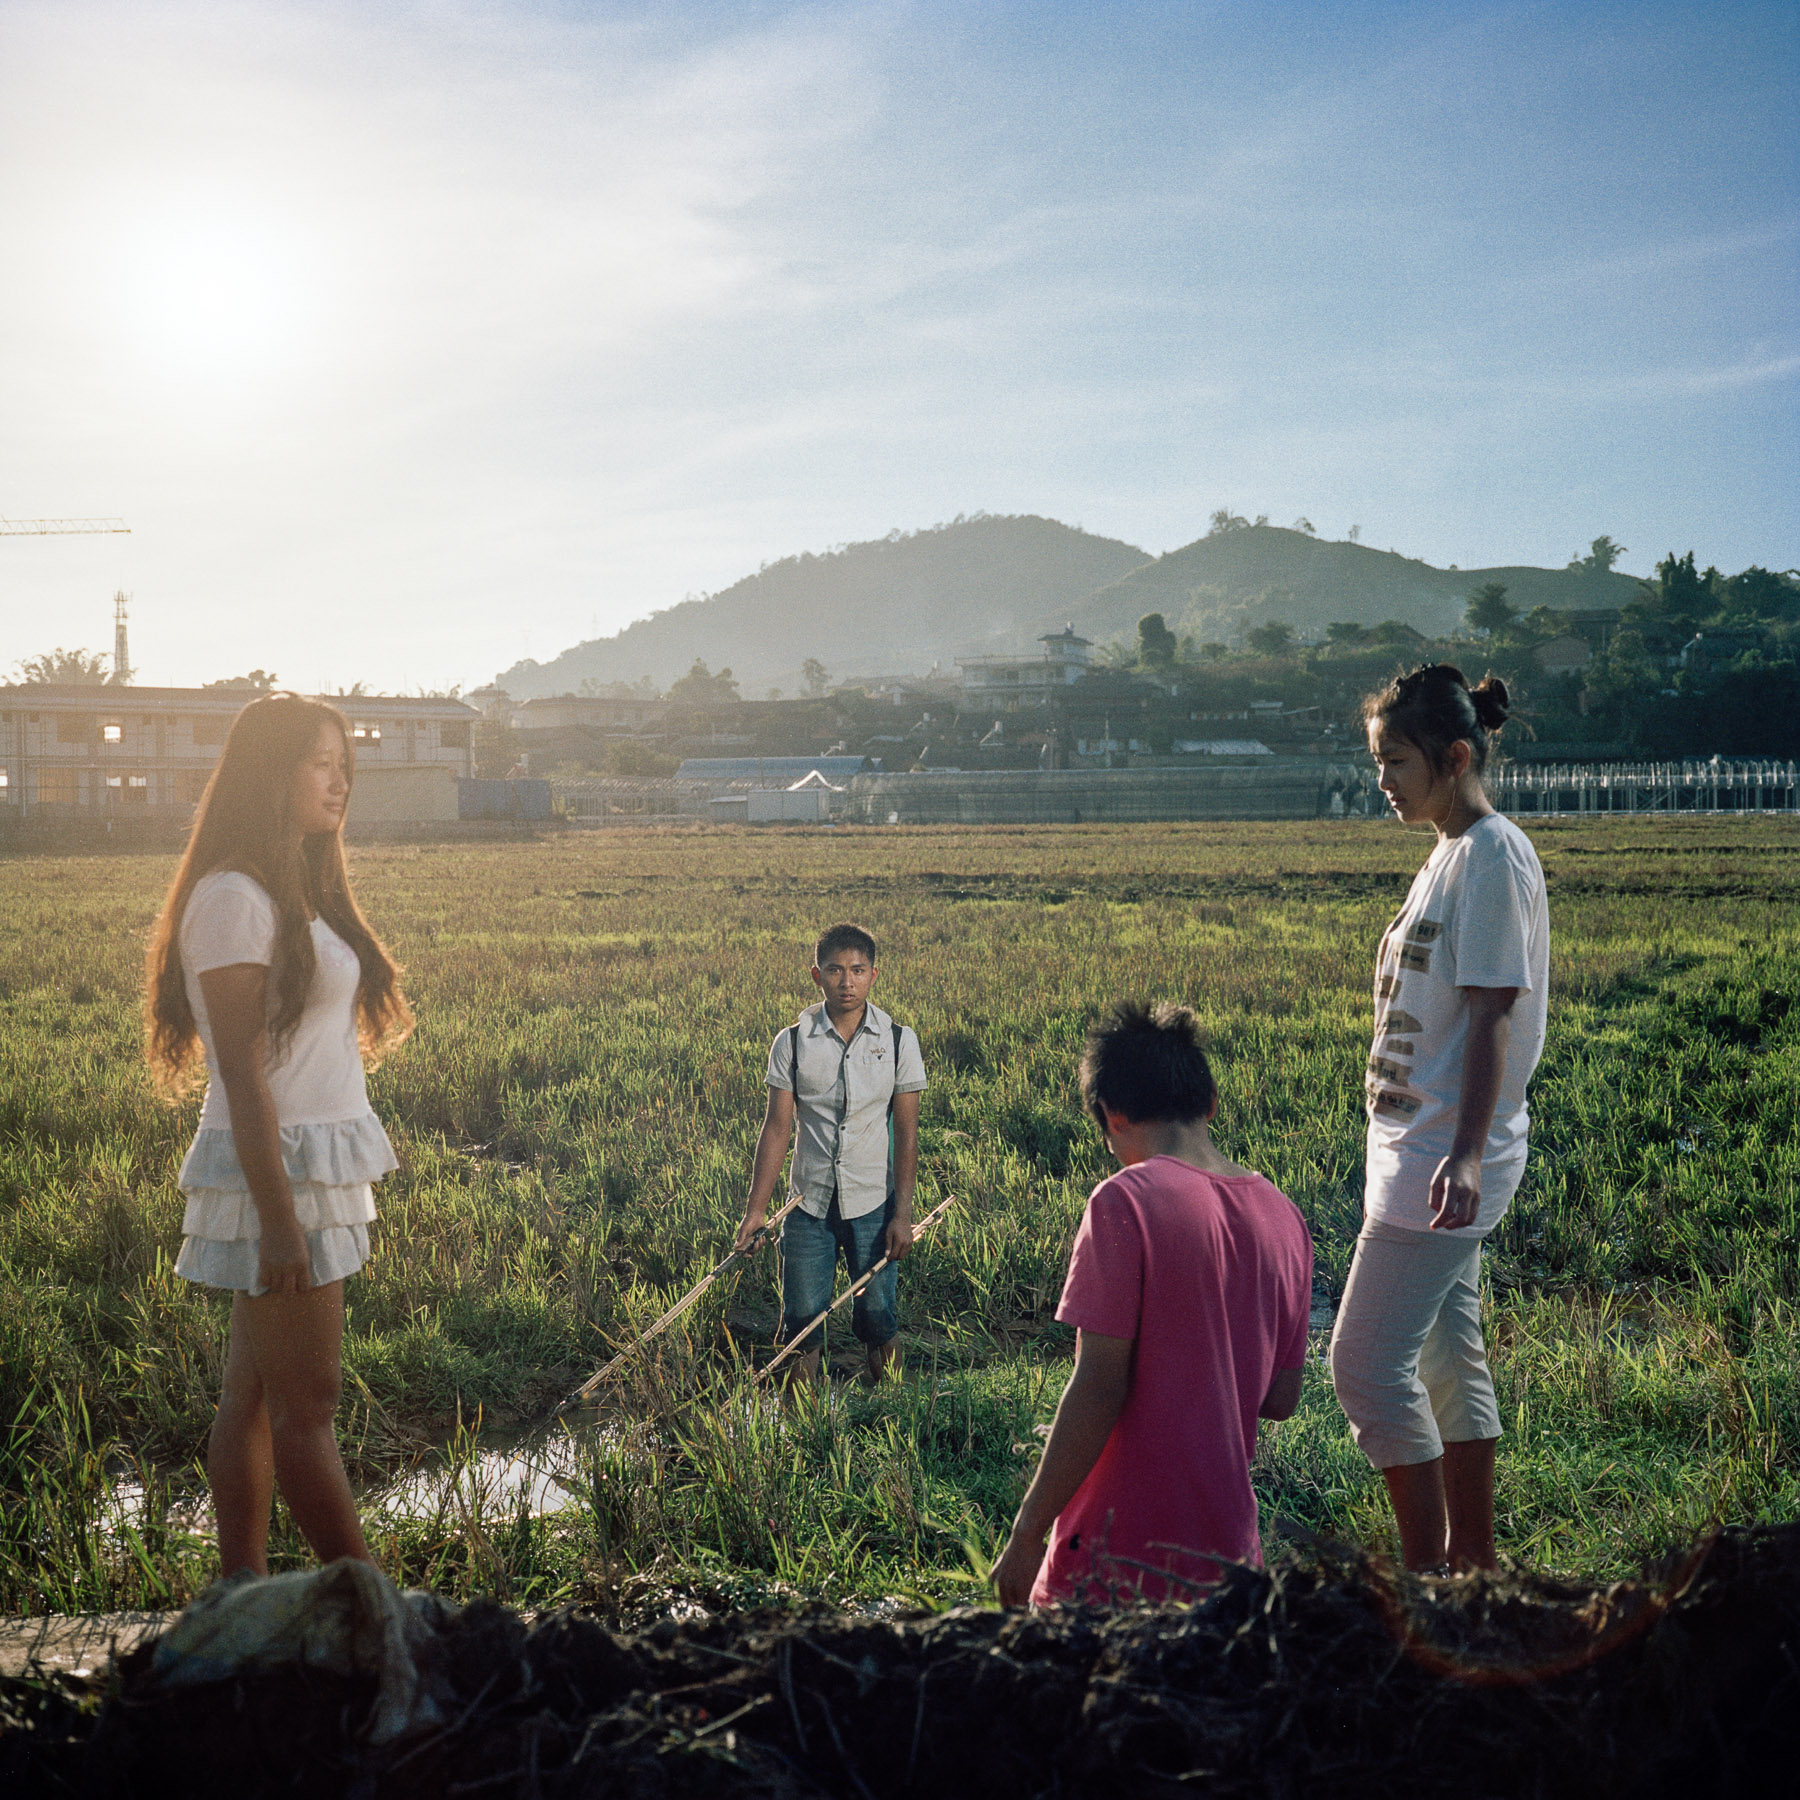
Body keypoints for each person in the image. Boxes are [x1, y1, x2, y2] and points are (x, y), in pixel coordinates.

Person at [144, 693, 411, 1576]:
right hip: (280, 1174)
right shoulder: (232, 898)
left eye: (346, 767)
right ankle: (370, 1608)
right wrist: (280, 1218)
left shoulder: (294, 884)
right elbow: (243, 1079)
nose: (340, 784)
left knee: (253, 1398)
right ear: (271, 773)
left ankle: (240, 1588)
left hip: (307, 1166)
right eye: (320, 764)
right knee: (310, 1408)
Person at [1329, 665, 1548, 1573]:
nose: (1380, 780)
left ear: (1455, 757)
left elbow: (1494, 1011)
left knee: (1365, 1369)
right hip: (1415, 1152)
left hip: (1441, 1164)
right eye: (1377, 761)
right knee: (1449, 1364)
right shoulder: (1450, 849)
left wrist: (1463, 1155)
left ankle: (1425, 1582)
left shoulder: (1492, 853)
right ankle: (1476, 1569)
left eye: (1396, 761)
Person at [993, 1002, 1313, 1608]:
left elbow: (1099, 1386)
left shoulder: (1126, 1200)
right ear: (1210, 1103)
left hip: (1114, 1554)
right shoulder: (1285, 1218)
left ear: (1113, 1118)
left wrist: (1027, 1530)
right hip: (1228, 1563)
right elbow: (1281, 1398)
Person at [734, 923, 926, 1385]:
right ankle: (808, 1442)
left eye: (858, 970)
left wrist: (903, 1215)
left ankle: (893, 1420)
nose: (847, 982)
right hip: (808, 1207)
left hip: (873, 1206)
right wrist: (755, 1211)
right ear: (816, 975)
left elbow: (906, 1133)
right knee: (802, 1327)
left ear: (874, 975)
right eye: (836, 970)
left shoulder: (899, 1040)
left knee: (879, 1319)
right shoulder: (792, 1041)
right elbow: (778, 1128)